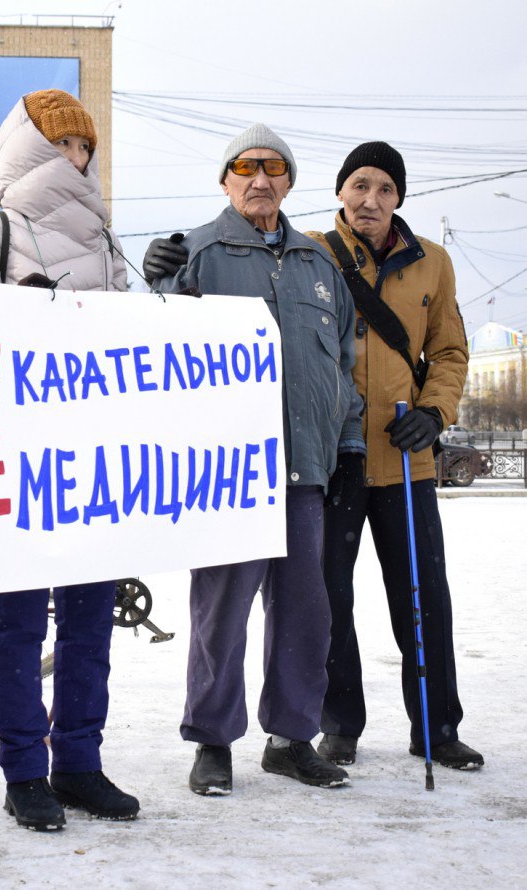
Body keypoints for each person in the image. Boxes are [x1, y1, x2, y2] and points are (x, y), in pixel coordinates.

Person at [143, 123, 364, 793]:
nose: (260, 179)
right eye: (246, 167)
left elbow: (343, 366)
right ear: (225, 179)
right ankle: (212, 741)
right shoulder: (196, 254)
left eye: (274, 168)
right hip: (229, 474)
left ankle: (291, 739)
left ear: (289, 182)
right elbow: (151, 347)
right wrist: (158, 285)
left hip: (305, 470)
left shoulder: (320, 265)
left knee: (305, 611)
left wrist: (348, 445)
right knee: (222, 611)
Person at [0, 89, 137, 831]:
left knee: (91, 621)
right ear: (28, 148)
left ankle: (80, 762)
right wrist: (19, 316)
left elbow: (133, 339)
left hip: (92, 456)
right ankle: (25, 771)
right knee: (21, 624)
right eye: (61, 142)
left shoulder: (104, 237)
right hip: (20, 457)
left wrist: (163, 297)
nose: (76, 156)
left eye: (83, 145)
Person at [303, 142, 482, 770]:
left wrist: (434, 412)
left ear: (399, 197)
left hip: (409, 462)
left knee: (423, 596)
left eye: (384, 188)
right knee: (330, 599)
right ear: (340, 192)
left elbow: (450, 352)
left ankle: (436, 728)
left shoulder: (433, 263)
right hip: (334, 459)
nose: (370, 199)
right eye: (360, 185)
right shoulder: (310, 252)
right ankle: (339, 726)